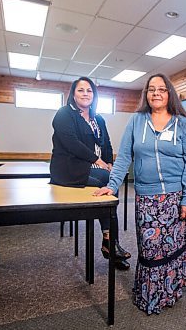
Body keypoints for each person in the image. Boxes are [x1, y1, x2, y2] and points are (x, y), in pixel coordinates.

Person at [94, 73, 186, 315]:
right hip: (147, 198)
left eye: (161, 89)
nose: (156, 93)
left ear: (169, 93)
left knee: (172, 247)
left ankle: (171, 290)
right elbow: (124, 158)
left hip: (176, 197)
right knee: (151, 248)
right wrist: (112, 185)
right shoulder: (137, 120)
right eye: (151, 89)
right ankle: (152, 294)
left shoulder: (183, 122)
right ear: (146, 94)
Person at [50, 76, 131, 270]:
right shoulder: (64, 114)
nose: (86, 94)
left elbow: (107, 143)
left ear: (94, 95)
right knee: (106, 182)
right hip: (68, 170)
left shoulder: (98, 118)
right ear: (73, 94)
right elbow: (72, 144)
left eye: (89, 91)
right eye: (81, 90)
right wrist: (99, 162)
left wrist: (109, 162)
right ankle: (109, 241)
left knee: (109, 180)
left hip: (93, 168)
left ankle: (109, 241)